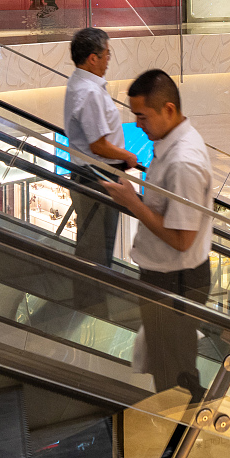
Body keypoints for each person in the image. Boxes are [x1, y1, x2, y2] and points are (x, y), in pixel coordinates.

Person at [104, 70, 214, 398]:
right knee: (169, 364)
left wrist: (132, 203)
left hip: (175, 280)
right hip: (167, 277)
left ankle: (182, 439)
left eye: (142, 116)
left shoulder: (184, 162)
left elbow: (182, 239)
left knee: (175, 375)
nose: (137, 124)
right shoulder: (170, 143)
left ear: (168, 109)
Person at [64, 28, 135, 312]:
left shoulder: (83, 85)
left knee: (97, 243)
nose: (109, 60)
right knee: (96, 247)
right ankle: (91, 307)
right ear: (92, 58)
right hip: (97, 176)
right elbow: (98, 145)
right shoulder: (89, 91)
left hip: (95, 174)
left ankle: (93, 301)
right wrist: (127, 156)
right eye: (106, 54)